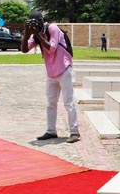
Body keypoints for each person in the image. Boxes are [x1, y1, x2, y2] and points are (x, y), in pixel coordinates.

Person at [20, 11, 80, 143]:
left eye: (37, 22)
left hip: (64, 68)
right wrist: (27, 33)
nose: (35, 25)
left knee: (68, 102)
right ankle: (51, 131)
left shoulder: (53, 28)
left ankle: (74, 132)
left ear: (42, 21)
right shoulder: (36, 34)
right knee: (50, 103)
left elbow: (51, 48)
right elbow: (24, 49)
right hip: (51, 71)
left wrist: (36, 34)